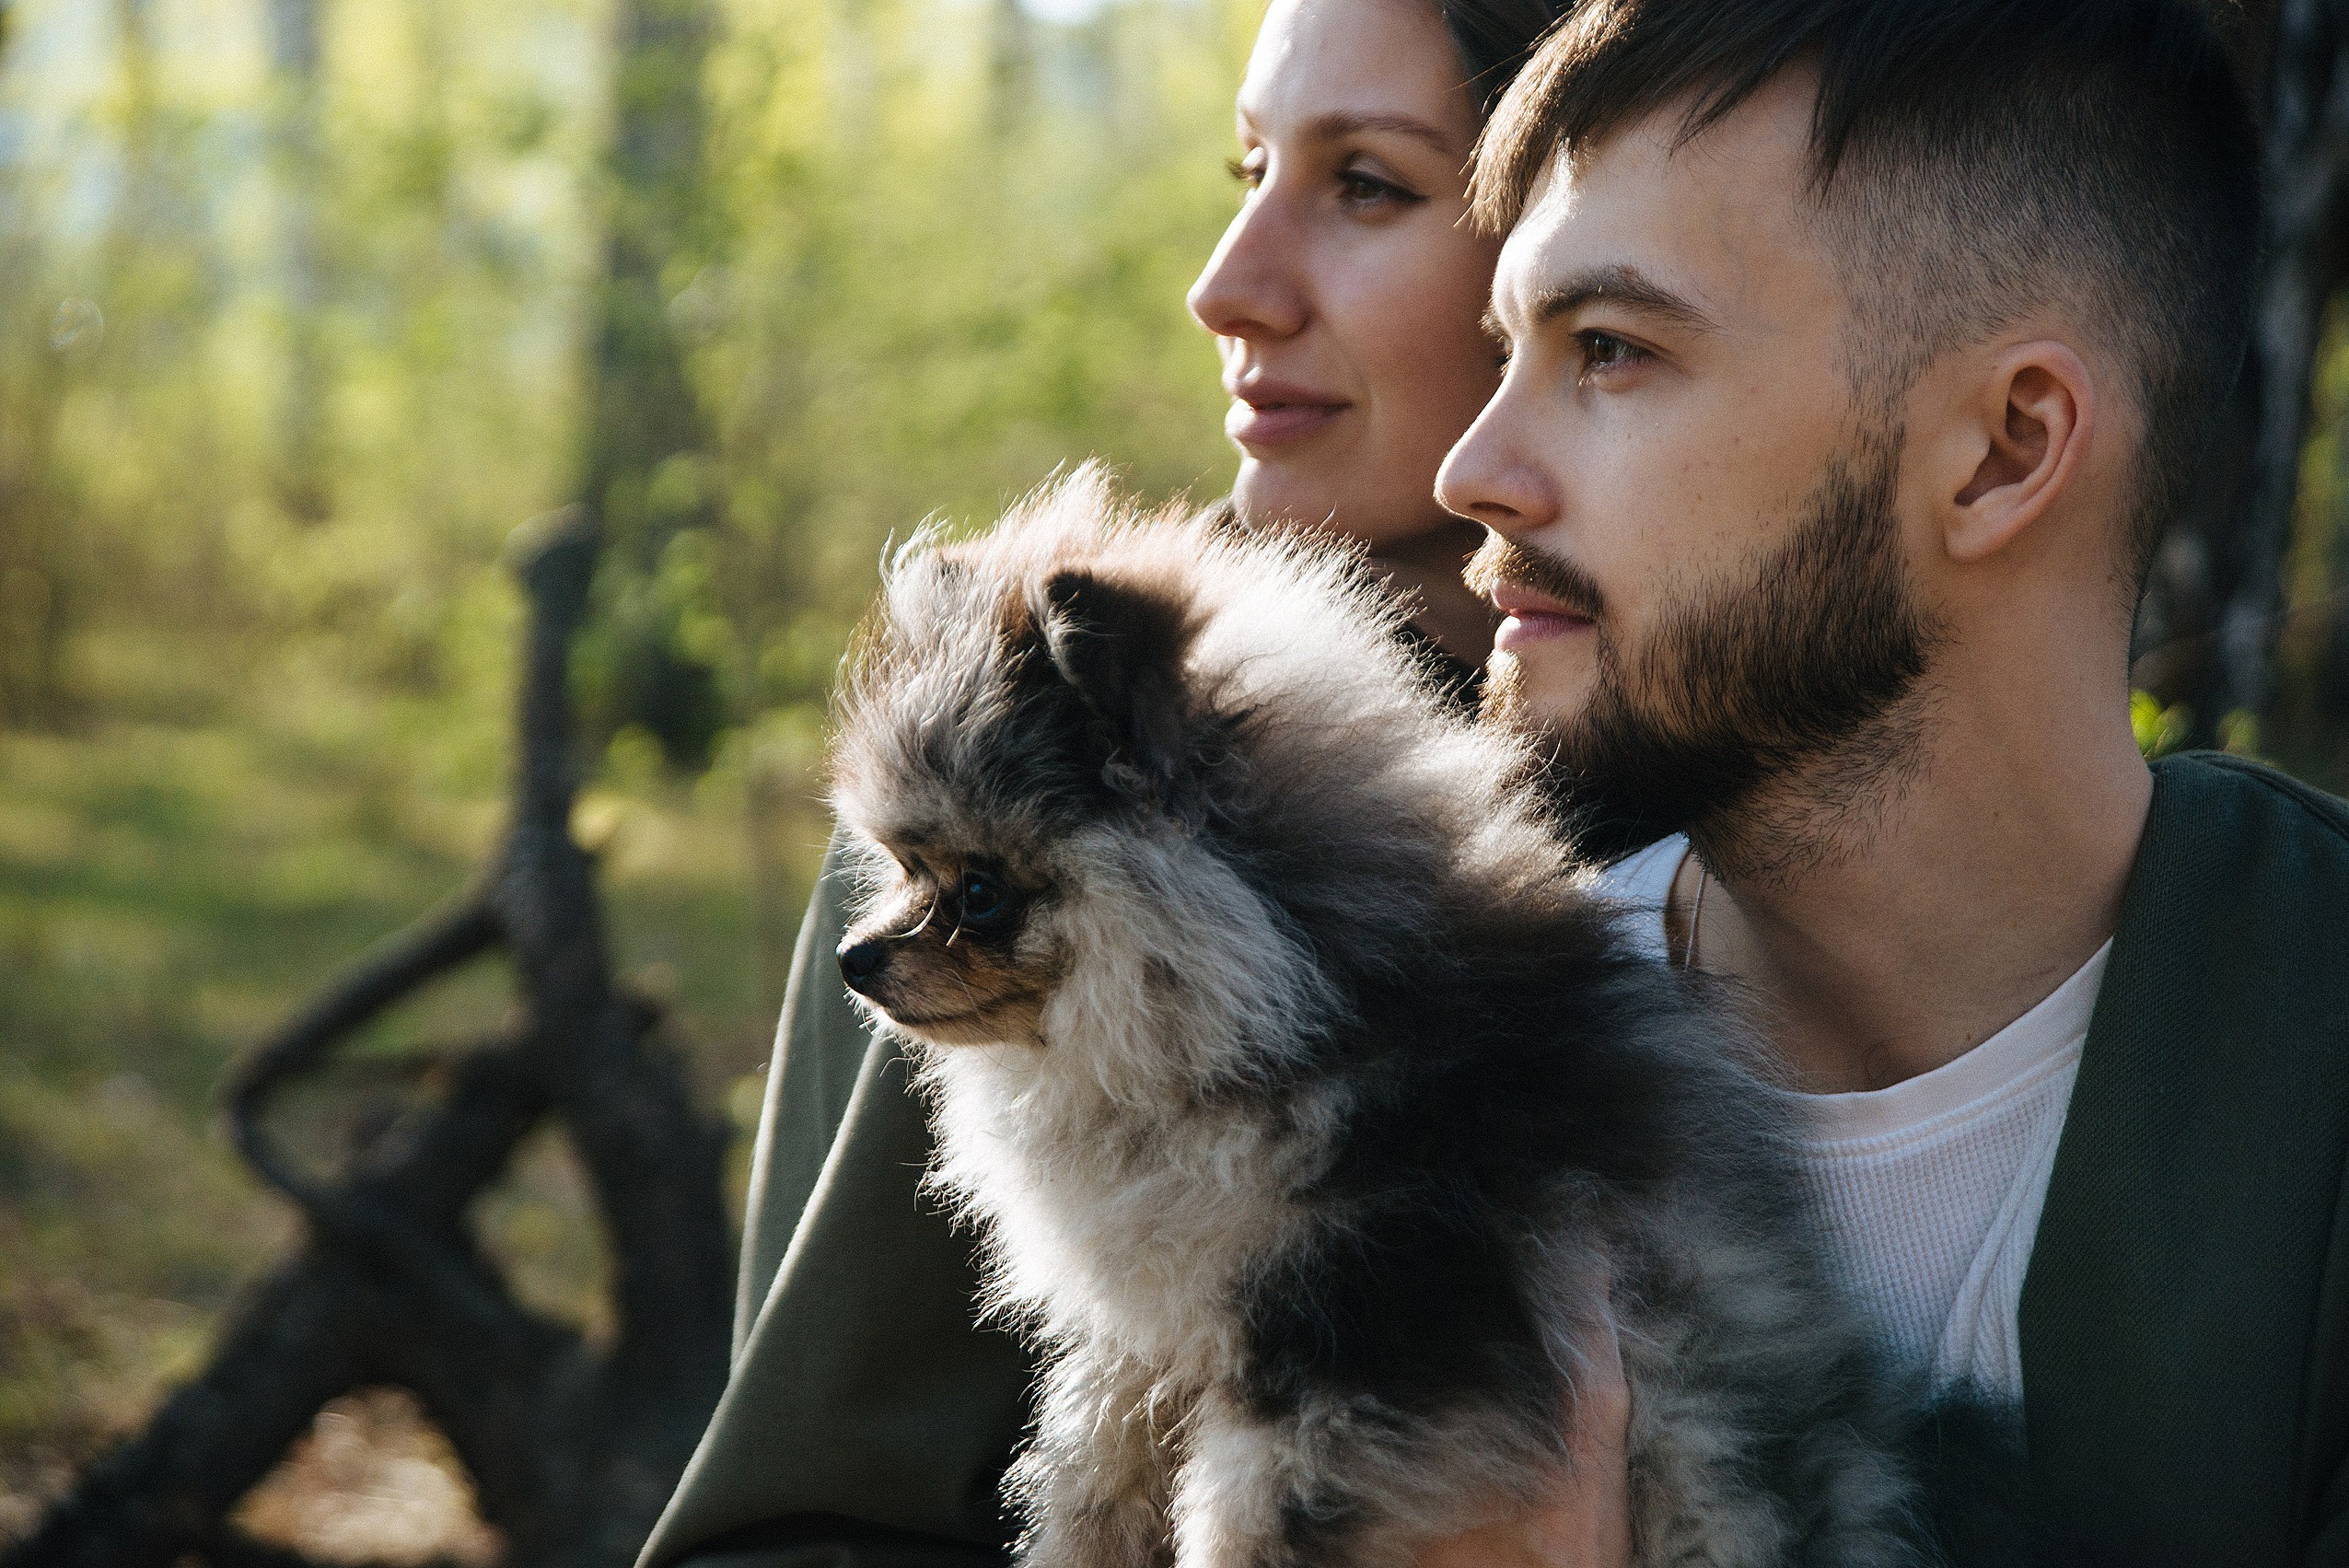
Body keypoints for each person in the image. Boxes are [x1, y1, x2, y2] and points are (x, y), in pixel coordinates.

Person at [631, 3, 1560, 1564]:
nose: (1227, 284)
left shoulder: (1767, 755)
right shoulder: (1019, 773)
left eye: (1368, 186)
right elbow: (803, 1518)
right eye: (1248, 166)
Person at [1436, 0, 2349, 1560]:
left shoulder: (2314, 1066)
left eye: (1611, 350)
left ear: (2002, 451)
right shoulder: (1413, 1076)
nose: (1473, 470)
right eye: (1505, 350)